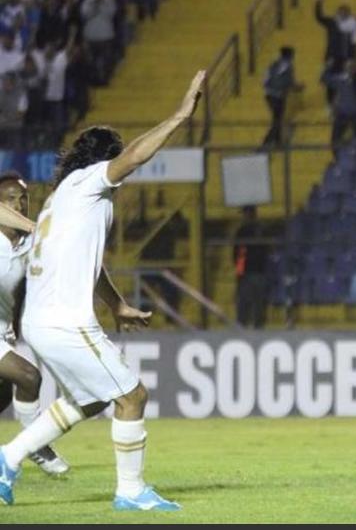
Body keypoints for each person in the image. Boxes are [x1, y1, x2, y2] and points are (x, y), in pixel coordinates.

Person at [0, 69, 206, 510]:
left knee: (90, 400)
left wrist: (117, 305)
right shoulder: (92, 181)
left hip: (43, 321)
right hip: (65, 322)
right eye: (116, 159)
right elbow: (134, 156)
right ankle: (130, 490)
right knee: (132, 396)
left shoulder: (63, 198)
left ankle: (8, 458)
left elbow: (86, 264)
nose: (122, 171)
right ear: (103, 159)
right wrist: (179, 117)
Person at [0, 172, 69, 477]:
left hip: (4, 331)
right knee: (29, 377)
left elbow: (21, 293)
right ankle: (36, 445)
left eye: (23, 198)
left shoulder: (31, 245)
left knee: (3, 396)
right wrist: (34, 227)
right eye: (10, 199)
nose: (19, 204)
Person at [233, 205, 269, 329]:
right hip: (260, 271)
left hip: (247, 273)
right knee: (259, 303)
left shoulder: (242, 231)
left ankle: (242, 327)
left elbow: (239, 253)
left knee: (244, 303)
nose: (243, 217)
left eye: (244, 214)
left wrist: (239, 272)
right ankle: (258, 327)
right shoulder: (263, 229)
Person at [262, 46, 304, 148]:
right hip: (278, 95)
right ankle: (268, 141)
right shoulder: (288, 66)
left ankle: (277, 141)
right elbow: (289, 82)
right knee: (277, 120)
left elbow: (265, 78)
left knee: (277, 119)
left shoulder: (273, 64)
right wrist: (298, 87)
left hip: (268, 94)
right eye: (292, 55)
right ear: (290, 55)